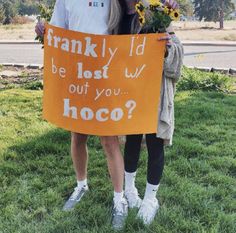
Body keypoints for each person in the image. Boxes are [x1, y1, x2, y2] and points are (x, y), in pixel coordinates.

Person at [35, 0, 128, 230]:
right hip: (78, 75)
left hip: (106, 75)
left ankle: (119, 198)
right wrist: (44, 31)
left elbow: (132, 21)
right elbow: (58, 32)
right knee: (78, 135)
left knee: (109, 140)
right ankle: (81, 185)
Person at [121, 0, 184, 225]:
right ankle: (129, 190)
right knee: (132, 140)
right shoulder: (114, 13)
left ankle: (150, 199)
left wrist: (167, 48)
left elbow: (175, 46)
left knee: (155, 141)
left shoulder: (155, 10)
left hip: (153, 91)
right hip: (129, 90)